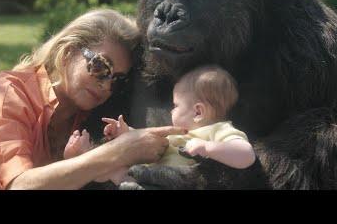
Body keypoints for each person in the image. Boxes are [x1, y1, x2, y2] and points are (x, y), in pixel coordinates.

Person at [0, 9, 182, 190]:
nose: (106, 85)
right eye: (101, 67)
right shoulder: (5, 96)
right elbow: (22, 184)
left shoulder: (81, 115)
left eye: (117, 79)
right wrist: (120, 151)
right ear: (68, 52)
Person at [64, 65, 256, 185]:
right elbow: (148, 142)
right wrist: (127, 132)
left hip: (176, 182)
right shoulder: (178, 134)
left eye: (175, 106)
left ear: (198, 112)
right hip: (147, 177)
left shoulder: (219, 130)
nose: (171, 111)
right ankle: (86, 156)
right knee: (113, 166)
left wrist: (208, 147)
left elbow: (246, 155)